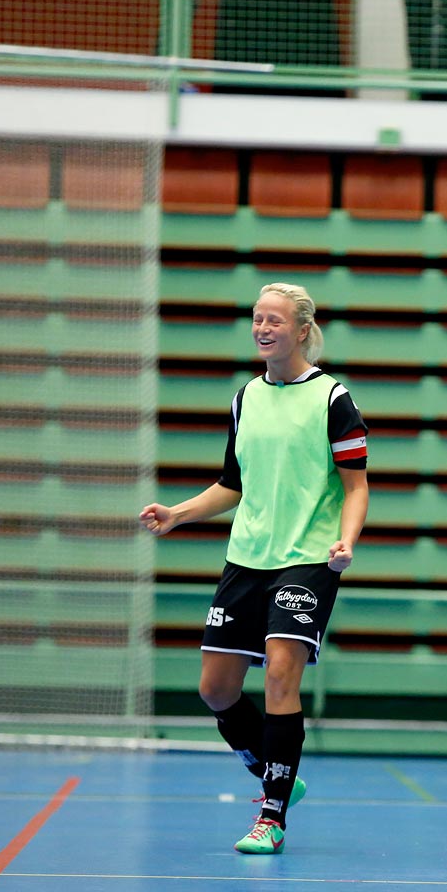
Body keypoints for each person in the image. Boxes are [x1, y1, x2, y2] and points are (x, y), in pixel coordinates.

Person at [139, 282, 369, 855]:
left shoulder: (333, 399)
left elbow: (357, 486)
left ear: (301, 331)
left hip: (309, 558)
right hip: (247, 558)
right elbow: (232, 486)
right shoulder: (246, 396)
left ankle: (272, 816)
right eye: (257, 318)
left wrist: (345, 541)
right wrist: (178, 513)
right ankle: (274, 770)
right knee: (216, 690)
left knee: (278, 676)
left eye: (275, 320)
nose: (263, 328)